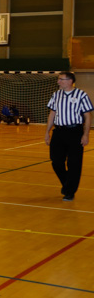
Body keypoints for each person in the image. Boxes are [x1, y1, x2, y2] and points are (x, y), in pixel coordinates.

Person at [44, 71, 92, 201]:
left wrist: (86, 134)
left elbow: (88, 116)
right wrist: (47, 132)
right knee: (56, 161)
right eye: (58, 79)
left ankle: (70, 191)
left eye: (61, 79)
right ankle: (68, 184)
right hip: (59, 132)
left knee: (74, 163)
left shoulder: (81, 95)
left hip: (75, 132)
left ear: (70, 81)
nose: (58, 81)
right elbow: (52, 114)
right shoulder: (56, 95)